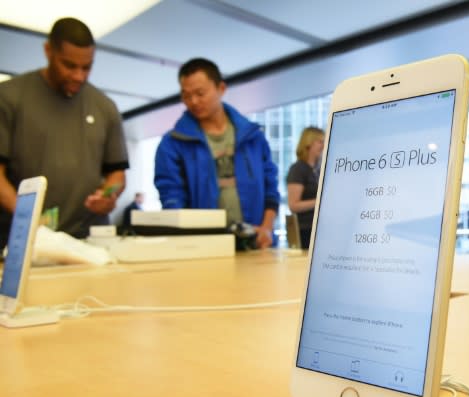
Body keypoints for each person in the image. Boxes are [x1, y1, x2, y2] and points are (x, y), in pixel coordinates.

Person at [0, 17, 128, 247]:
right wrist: (30, 220)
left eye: (87, 67)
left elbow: (117, 174)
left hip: (87, 242)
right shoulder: (9, 97)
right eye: (69, 65)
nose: (79, 76)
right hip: (20, 242)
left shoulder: (105, 107)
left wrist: (109, 195)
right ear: (48, 51)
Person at [154, 58, 279, 248]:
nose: (193, 101)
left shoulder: (253, 136)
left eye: (200, 93)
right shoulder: (172, 144)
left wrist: (266, 228)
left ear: (221, 88)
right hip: (204, 248)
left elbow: (271, 188)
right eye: (186, 95)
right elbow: (172, 198)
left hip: (256, 243)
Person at [287, 127, 324, 249]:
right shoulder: (298, 169)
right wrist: (319, 202)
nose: (323, 145)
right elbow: (293, 205)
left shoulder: (317, 170)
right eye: (320, 142)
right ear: (308, 143)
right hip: (305, 231)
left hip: (317, 229)